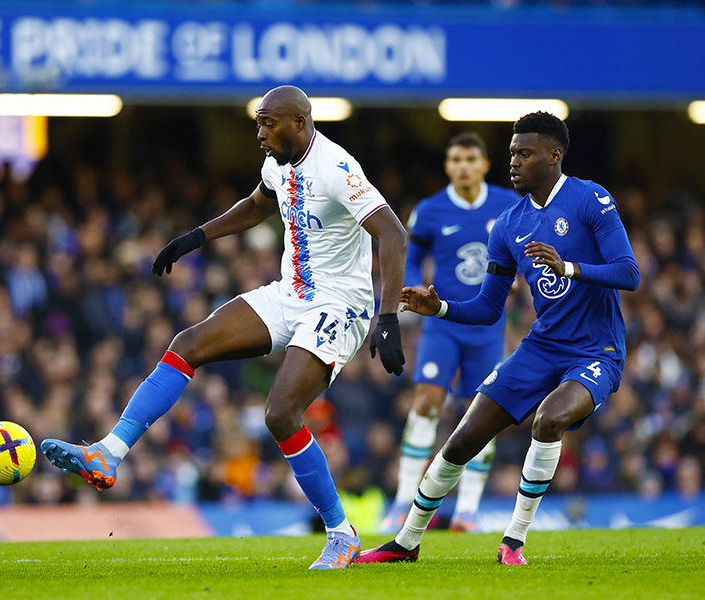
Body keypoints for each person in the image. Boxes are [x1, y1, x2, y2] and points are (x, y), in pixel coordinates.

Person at [41, 85, 408, 569]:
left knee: (280, 414)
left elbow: (393, 234)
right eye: (258, 123)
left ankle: (341, 532)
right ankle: (108, 453)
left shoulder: (338, 169)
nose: (259, 133)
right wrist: (197, 236)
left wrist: (386, 320)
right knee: (188, 343)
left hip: (341, 306)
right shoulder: (278, 161)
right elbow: (258, 204)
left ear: (299, 123)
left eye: (267, 123)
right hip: (290, 293)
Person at [357, 111, 639, 566]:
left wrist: (568, 267)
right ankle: (405, 541)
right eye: (511, 154)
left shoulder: (591, 200)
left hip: (596, 350)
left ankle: (513, 540)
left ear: (554, 155)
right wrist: (441, 307)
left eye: (524, 154)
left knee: (547, 421)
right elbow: (489, 308)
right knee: (463, 438)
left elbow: (629, 273)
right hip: (541, 347)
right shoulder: (508, 225)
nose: (514, 162)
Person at [379, 133, 519, 535]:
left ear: (484, 165)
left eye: (471, 158)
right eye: (455, 158)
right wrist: (410, 285)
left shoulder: (508, 206)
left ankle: (467, 510)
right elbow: (411, 255)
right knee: (425, 404)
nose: (463, 166)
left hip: (488, 327)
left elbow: (526, 251)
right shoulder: (430, 211)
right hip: (442, 325)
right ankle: (404, 502)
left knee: (483, 413)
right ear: (447, 166)